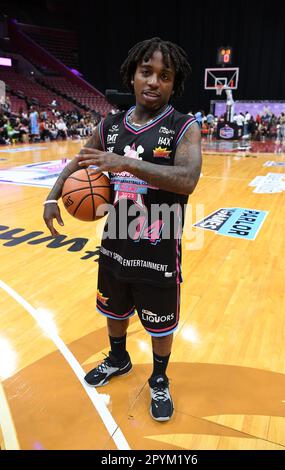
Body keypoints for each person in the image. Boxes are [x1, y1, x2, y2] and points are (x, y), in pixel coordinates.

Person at [43, 37, 202, 422]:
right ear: (132, 75)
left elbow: (187, 179)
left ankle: (160, 379)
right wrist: (52, 195)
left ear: (173, 83)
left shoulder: (184, 127)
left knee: (160, 321)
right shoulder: (110, 125)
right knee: (113, 306)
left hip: (159, 242)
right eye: (146, 72)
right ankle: (118, 358)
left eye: (164, 76)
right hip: (115, 238)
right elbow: (80, 160)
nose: (153, 82)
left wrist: (124, 164)